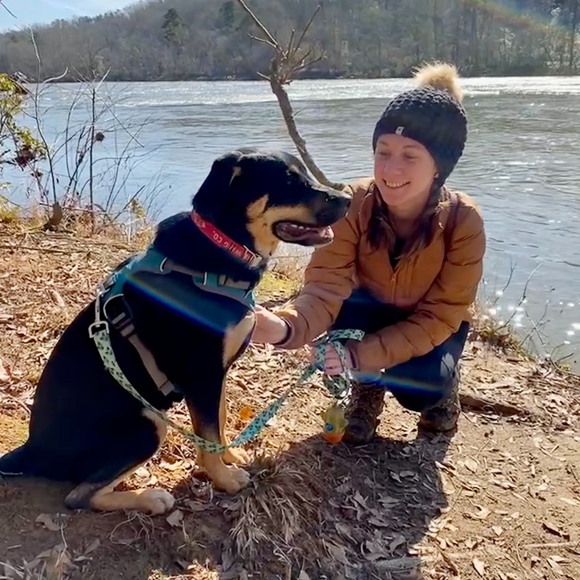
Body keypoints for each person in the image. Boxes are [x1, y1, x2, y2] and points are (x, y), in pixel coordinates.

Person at [252, 62, 486, 445]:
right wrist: (284, 327)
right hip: (366, 311)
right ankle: (368, 389)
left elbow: (441, 315)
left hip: (428, 323)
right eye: (383, 151)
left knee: (422, 386)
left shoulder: (465, 220)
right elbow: (325, 288)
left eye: (410, 155)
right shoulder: (353, 203)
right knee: (339, 341)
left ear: (439, 167)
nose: (391, 169)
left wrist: (360, 356)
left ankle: (442, 393)